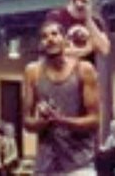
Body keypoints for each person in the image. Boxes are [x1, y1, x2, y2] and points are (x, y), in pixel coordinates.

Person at [24, 21, 99, 176]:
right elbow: (27, 122)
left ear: (65, 39)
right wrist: (42, 123)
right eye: (44, 36)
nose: (50, 39)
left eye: (54, 34)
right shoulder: (33, 72)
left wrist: (61, 120)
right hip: (46, 165)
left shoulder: (84, 69)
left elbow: (94, 120)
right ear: (41, 44)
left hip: (80, 163)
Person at [43, 0, 110, 65]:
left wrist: (88, 18)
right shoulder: (56, 16)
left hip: (86, 75)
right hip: (62, 74)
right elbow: (53, 49)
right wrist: (86, 50)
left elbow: (104, 49)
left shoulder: (96, 21)